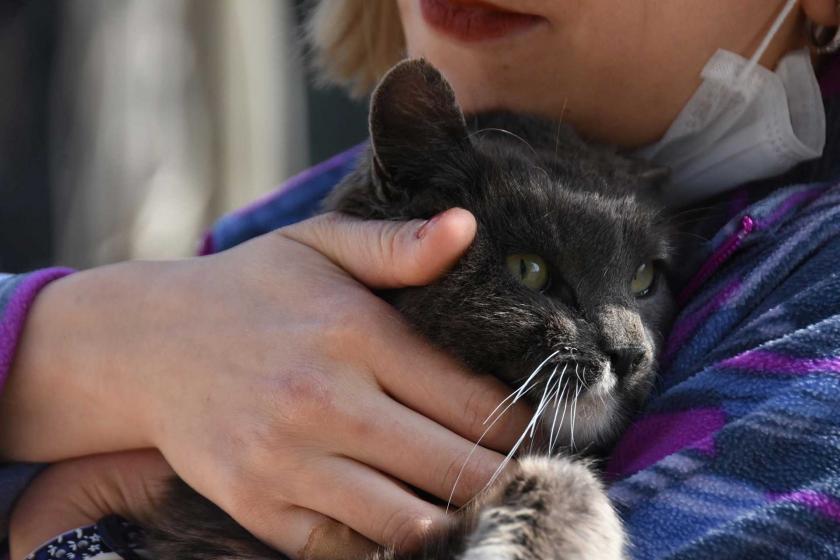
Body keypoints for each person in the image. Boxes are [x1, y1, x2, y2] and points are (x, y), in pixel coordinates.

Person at [4, 0, 840, 558]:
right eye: (528, 266)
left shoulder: (812, 305)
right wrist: (65, 339)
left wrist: (55, 510)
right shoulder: (274, 231)